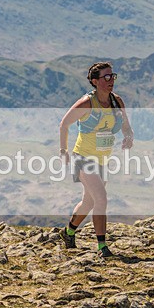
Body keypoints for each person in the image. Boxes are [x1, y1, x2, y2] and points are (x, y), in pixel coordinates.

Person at [58, 63, 134, 257]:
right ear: (95, 81)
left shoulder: (117, 102)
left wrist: (128, 136)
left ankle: (68, 232)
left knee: (88, 202)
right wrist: (63, 150)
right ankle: (102, 247)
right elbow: (64, 124)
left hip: (103, 161)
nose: (111, 81)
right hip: (83, 158)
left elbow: (126, 125)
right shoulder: (86, 103)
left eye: (112, 77)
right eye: (106, 77)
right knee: (101, 199)